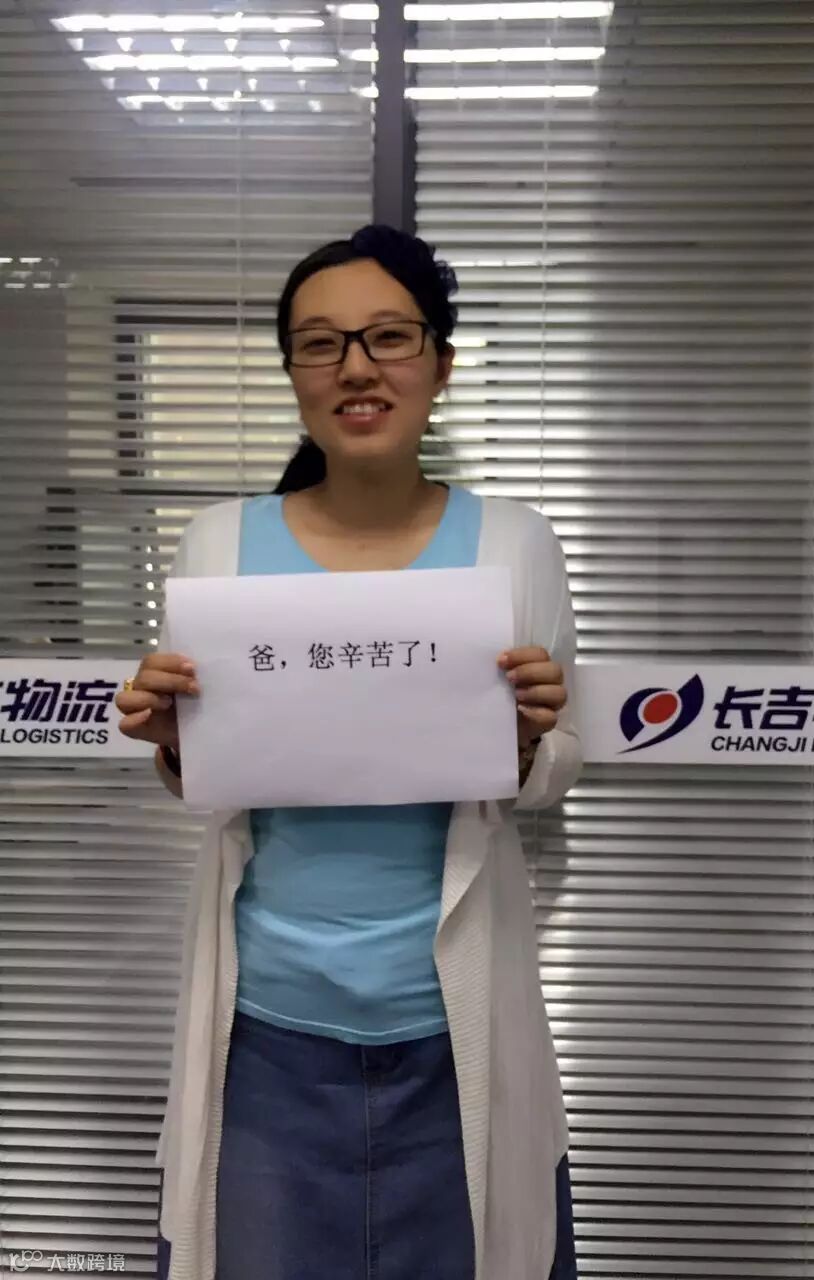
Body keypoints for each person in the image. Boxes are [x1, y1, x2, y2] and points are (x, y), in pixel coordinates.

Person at [115, 224, 582, 1280]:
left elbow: (558, 767)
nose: (357, 367)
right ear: (292, 371)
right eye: (321, 343)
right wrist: (173, 746)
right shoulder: (219, 543)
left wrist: (528, 743)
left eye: (389, 337)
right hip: (268, 1033)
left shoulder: (516, 542)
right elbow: (209, 779)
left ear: (441, 363)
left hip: (454, 1025)